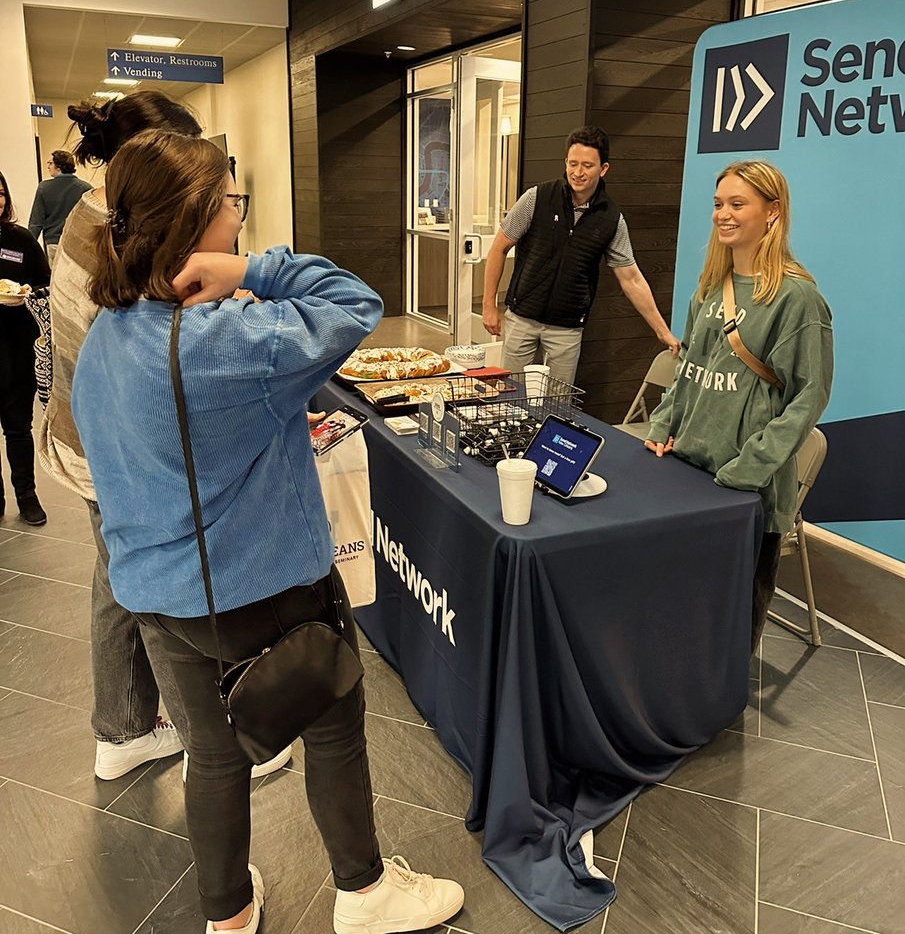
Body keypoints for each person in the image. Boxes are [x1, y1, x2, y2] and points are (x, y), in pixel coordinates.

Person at [71, 129, 466, 934]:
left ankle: (227, 912)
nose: (240, 221)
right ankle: (362, 893)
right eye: (231, 206)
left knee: (212, 756)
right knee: (333, 728)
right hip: (270, 590)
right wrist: (252, 272)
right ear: (196, 223)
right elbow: (355, 303)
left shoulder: (109, 334)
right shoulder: (228, 343)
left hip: (158, 594)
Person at [38, 91, 207, 781]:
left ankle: (124, 730)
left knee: (116, 581)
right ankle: (209, 743)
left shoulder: (95, 209)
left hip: (84, 436)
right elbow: (152, 345)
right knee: (153, 589)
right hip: (110, 447)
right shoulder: (121, 228)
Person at [644, 160, 833, 649]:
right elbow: (688, 371)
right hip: (688, 471)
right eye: (718, 204)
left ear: (772, 212)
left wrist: (749, 468)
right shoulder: (709, 287)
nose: (723, 215)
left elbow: (808, 398)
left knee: (726, 631)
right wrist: (663, 424)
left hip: (745, 491)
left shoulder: (798, 299)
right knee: (672, 611)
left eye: (737, 204)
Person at [482, 125, 680, 385]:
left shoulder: (611, 218)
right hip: (522, 318)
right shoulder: (536, 197)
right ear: (565, 162)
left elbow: (631, 278)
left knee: (558, 405)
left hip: (567, 328)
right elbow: (499, 248)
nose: (578, 172)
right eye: (572, 163)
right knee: (511, 396)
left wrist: (662, 331)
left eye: (587, 165)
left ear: (603, 169)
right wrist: (488, 305)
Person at [0, 169, 51, 525]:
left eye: (0, 192)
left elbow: (44, 282)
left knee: (19, 425)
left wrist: (28, 293)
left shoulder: (19, 239)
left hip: (17, 343)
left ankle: (27, 495)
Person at [27, 149, 92, 264]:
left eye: (50, 163)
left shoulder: (44, 188)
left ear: (59, 166)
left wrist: (27, 249)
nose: (48, 166)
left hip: (53, 243)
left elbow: (36, 223)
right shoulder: (86, 188)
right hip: (78, 243)